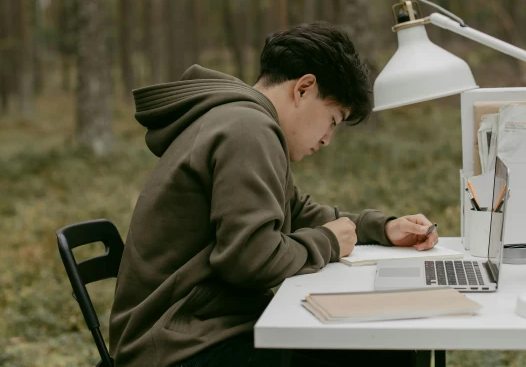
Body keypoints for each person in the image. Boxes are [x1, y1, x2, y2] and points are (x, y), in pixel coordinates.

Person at [109, 23, 439, 367]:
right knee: (387, 354)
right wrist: (326, 241)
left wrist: (380, 228)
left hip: (196, 330)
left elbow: (295, 210)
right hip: (180, 347)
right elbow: (250, 260)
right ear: (304, 88)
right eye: (332, 120)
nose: (327, 138)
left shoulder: (242, 120)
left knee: (390, 348)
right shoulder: (247, 129)